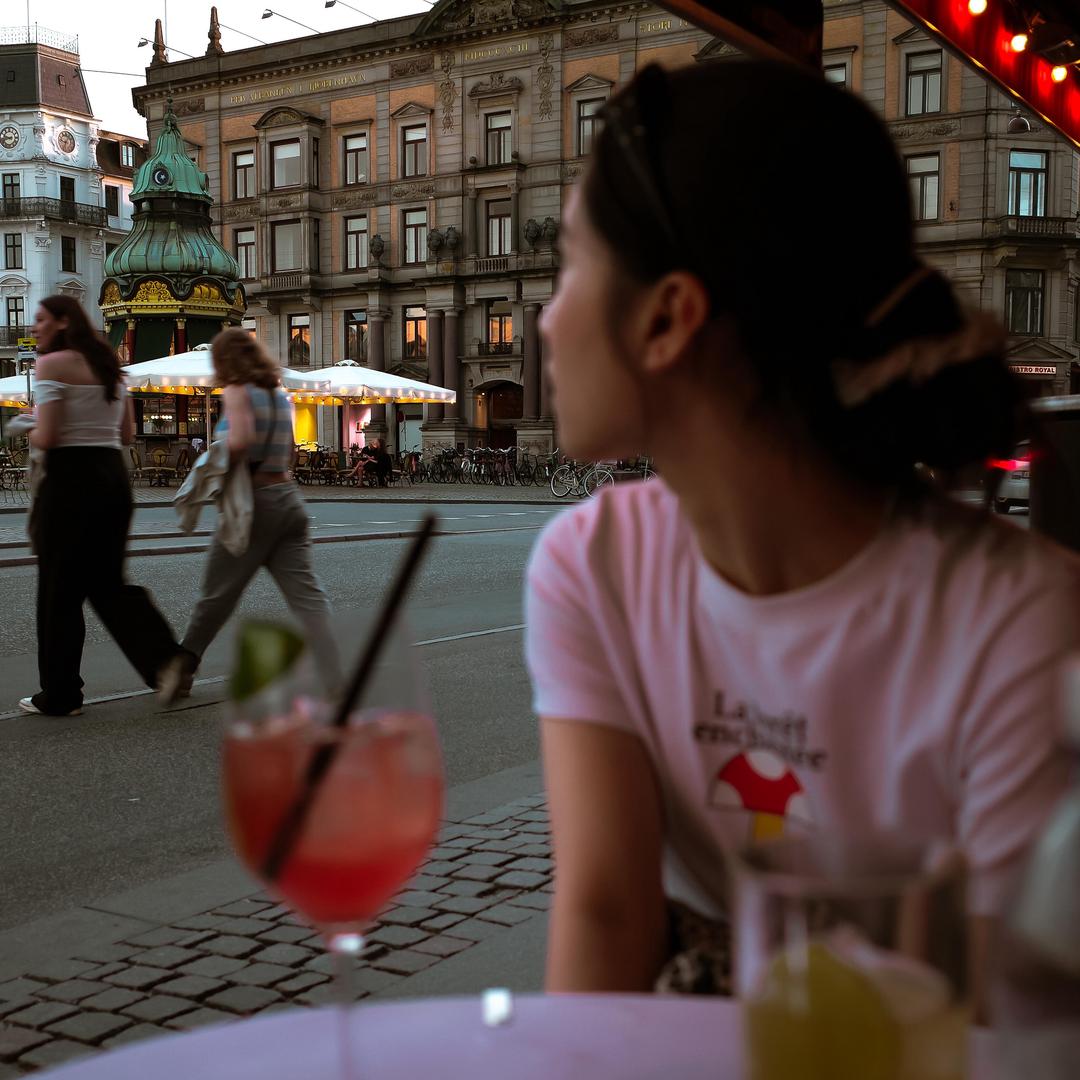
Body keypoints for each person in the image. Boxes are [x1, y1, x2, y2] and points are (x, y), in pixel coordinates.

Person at [525, 61, 1080, 1002]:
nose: (546, 317)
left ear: (668, 319)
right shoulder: (592, 567)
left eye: (571, 266)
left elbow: (1010, 1013)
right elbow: (605, 916)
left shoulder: (1021, 622)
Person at [21, 296, 184, 716]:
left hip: (70, 479)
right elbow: (128, 433)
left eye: (40, 319)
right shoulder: (113, 368)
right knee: (108, 583)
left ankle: (60, 694)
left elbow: (52, 436)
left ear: (61, 322)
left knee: (59, 591)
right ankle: (165, 660)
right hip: (113, 476)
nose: (34, 326)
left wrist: (26, 425)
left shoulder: (51, 366)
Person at [158, 328, 341, 702]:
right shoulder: (277, 395)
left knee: (217, 595)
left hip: (254, 503)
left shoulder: (239, 391)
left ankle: (183, 669)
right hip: (289, 500)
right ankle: (334, 672)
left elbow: (239, 441)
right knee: (306, 594)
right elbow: (290, 453)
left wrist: (217, 462)